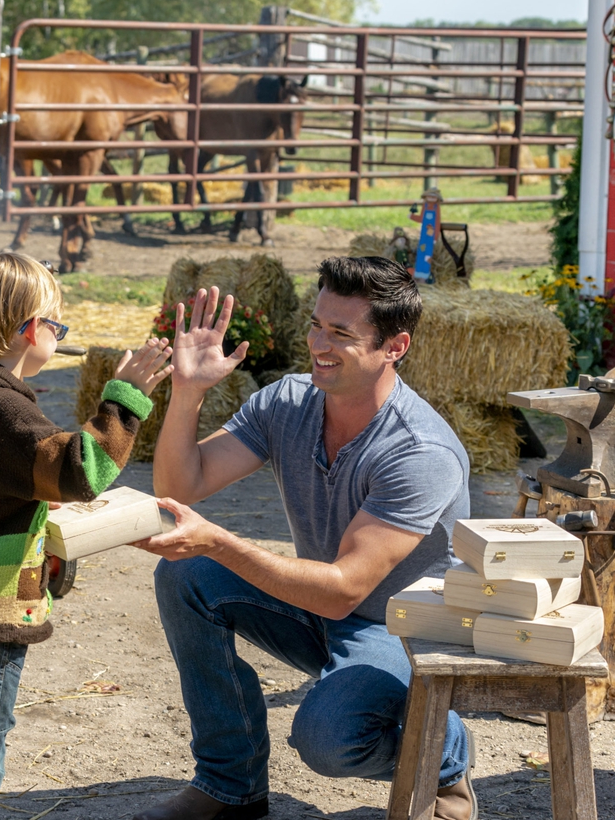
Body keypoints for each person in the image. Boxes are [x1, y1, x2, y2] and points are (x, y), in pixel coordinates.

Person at [133, 257, 476, 820]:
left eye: (342, 334)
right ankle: (228, 787)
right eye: (317, 324)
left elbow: (345, 589)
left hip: (399, 629)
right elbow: (181, 484)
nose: (320, 343)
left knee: (329, 741)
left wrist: (219, 542)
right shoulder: (288, 401)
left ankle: (444, 752)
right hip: (322, 606)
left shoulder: (421, 453)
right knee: (184, 573)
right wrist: (188, 392)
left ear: (395, 346)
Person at [0, 253, 173, 820]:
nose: (59, 335)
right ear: (32, 330)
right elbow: (83, 470)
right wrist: (124, 398)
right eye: (58, 325)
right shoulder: (4, 409)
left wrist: (27, 491)